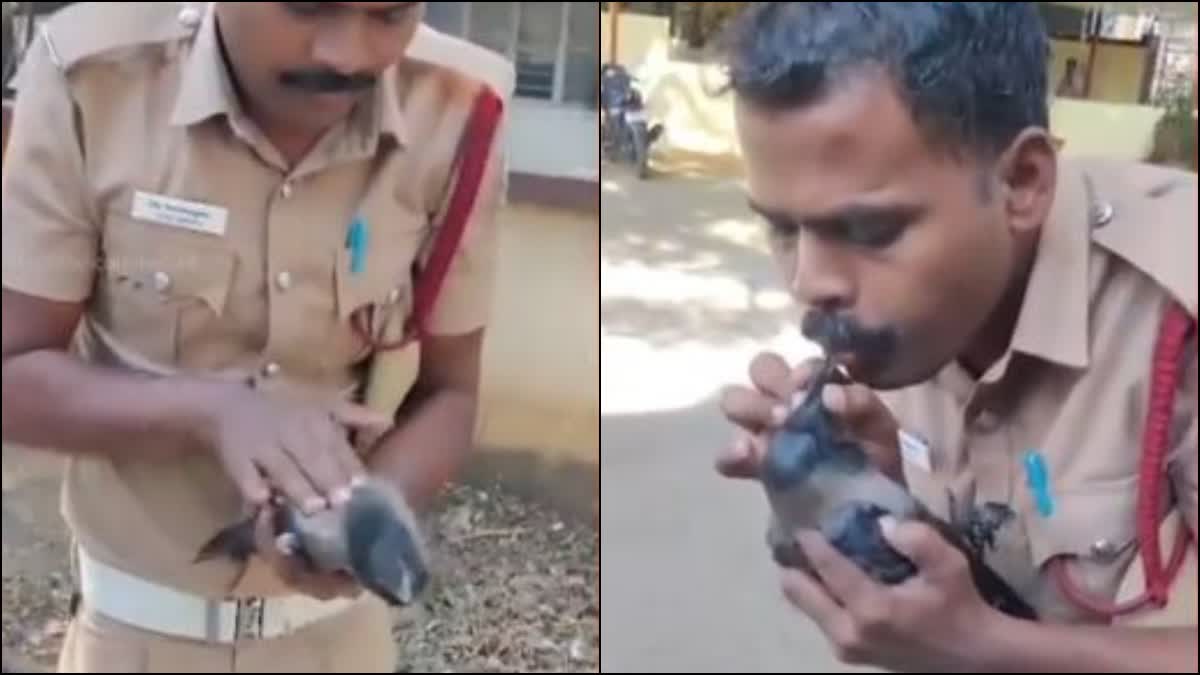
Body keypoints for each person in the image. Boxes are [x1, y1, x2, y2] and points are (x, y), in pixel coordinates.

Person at [1, 2, 512, 672]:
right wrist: (211, 412)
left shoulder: (459, 108)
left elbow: (452, 392)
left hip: (341, 647)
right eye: (306, 6)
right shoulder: (91, 78)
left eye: (389, 14)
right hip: (134, 640)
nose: (345, 55)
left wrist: (359, 512)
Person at [714, 3, 1197, 672]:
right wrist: (880, 494)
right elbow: (994, 571)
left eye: (868, 231)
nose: (809, 282)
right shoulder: (914, 318)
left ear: (1022, 183)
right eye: (783, 228)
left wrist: (984, 647)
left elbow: (984, 637)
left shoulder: (1178, 310)